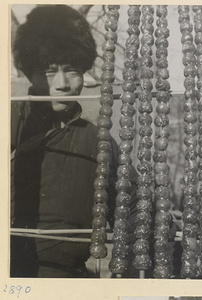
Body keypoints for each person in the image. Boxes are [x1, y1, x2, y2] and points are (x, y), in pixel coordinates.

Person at [11, 5, 138, 278]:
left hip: (72, 279)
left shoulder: (98, 141)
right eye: (48, 71)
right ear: (29, 72)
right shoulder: (10, 123)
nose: (62, 84)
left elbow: (135, 209)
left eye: (71, 70)